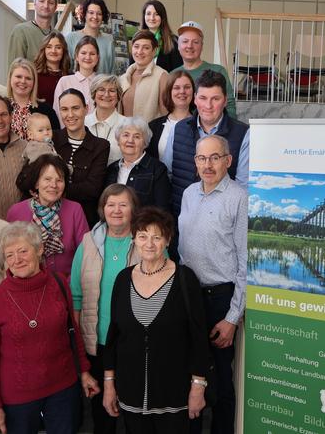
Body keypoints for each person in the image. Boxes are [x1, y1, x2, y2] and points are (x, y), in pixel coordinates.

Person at [0, 222, 100, 434]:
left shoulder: (59, 284)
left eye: (23, 251)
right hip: (17, 397)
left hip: (63, 388)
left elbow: (73, 332)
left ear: (39, 249)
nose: (17, 260)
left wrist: (84, 371)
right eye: (9, 255)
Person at [103, 206, 210, 434]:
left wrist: (198, 386)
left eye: (156, 237)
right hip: (130, 394)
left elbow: (199, 338)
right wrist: (109, 384)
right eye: (142, 236)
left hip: (173, 396)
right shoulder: (123, 279)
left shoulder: (185, 279)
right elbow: (113, 337)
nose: (149, 244)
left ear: (168, 240)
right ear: (134, 239)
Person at [177, 135, 247, 434]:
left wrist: (232, 318)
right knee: (191, 376)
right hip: (189, 295)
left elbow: (246, 261)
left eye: (215, 157)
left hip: (221, 297)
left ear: (228, 161)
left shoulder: (239, 197)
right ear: (195, 162)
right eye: (202, 158)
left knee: (219, 384)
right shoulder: (189, 194)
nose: (208, 164)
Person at [70, 184, 142, 434]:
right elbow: (76, 295)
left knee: (136, 414)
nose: (117, 210)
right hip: (97, 342)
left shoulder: (147, 242)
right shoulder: (88, 242)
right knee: (102, 417)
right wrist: (78, 341)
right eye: (111, 204)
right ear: (102, 209)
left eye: (123, 204)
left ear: (133, 209)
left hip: (135, 344)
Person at [163, 70, 250, 216]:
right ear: (195, 99)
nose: (208, 106)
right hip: (181, 218)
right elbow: (168, 174)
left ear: (224, 100)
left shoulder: (243, 134)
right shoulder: (178, 129)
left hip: (221, 222)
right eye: (203, 98)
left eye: (215, 99)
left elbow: (242, 186)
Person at [7, 154, 89, 276]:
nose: (54, 185)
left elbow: (85, 253)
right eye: (47, 179)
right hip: (28, 286)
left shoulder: (74, 209)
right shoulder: (16, 211)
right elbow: (9, 256)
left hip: (66, 286)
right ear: (36, 183)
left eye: (59, 180)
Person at [52, 88, 110, 227]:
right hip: (48, 219)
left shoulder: (100, 146)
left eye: (76, 108)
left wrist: (52, 189)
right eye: (64, 109)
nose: (70, 115)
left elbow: (92, 189)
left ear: (86, 108)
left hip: (82, 220)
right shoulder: (51, 138)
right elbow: (30, 180)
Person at [105, 117, 171, 211]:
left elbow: (162, 210)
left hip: (142, 224)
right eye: (126, 135)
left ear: (145, 143)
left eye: (137, 136)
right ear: (118, 141)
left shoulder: (157, 169)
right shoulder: (111, 169)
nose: (130, 140)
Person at [173, 21, 236, 118]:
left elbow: (230, 106)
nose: (189, 46)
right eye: (185, 41)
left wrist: (226, 131)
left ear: (202, 46)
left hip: (214, 130)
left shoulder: (217, 71)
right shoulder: (173, 74)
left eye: (195, 42)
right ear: (178, 46)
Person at [119, 30, 168, 122]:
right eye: (136, 47)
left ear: (154, 51)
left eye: (146, 48)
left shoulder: (162, 76)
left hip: (149, 134)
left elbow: (166, 114)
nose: (140, 51)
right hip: (124, 134)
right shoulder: (123, 78)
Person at [7, 57, 60, 139]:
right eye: (18, 76)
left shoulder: (46, 111)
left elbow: (56, 140)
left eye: (28, 78)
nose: (23, 81)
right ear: (10, 78)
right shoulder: (0, 107)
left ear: (34, 82)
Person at [148, 70, 194, 160]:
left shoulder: (200, 126)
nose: (182, 91)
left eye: (187, 87)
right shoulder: (153, 127)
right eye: (176, 88)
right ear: (169, 92)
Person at [7, 0, 59, 66]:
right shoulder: (21, 31)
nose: (46, 6)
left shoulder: (58, 35)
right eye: (41, 1)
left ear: (56, 7)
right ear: (35, 4)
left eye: (51, 3)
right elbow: (15, 69)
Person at [54, 36, 100, 123]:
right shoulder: (64, 82)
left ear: (97, 58)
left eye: (92, 54)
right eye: (83, 53)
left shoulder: (102, 83)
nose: (88, 57)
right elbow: (58, 112)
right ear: (77, 57)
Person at [129, 0, 183, 72]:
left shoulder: (173, 41)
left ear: (162, 17)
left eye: (156, 14)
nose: (152, 18)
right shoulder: (138, 39)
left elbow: (177, 72)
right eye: (148, 14)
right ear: (144, 16)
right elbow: (131, 68)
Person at [65, 0, 115, 75]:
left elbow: (112, 71)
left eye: (99, 14)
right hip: (76, 86)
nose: (95, 17)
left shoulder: (109, 41)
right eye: (91, 13)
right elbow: (66, 69)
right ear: (85, 14)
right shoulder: (71, 38)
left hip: (102, 86)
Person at [85, 74, 127, 165]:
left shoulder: (127, 125)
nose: (106, 94)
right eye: (101, 90)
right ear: (94, 94)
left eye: (112, 91)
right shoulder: (83, 123)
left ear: (118, 96)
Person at [34, 30, 73, 111]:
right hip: (42, 120)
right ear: (44, 50)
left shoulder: (71, 77)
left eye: (58, 47)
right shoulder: (35, 75)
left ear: (63, 50)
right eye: (49, 47)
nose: (53, 51)